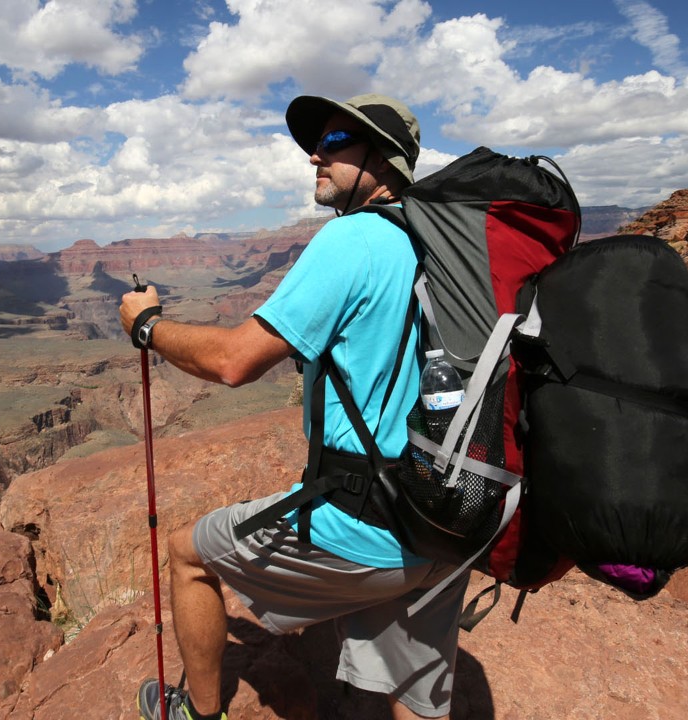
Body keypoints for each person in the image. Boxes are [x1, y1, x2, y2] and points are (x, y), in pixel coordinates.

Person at [121, 94, 467, 720]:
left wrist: (148, 325)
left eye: (336, 143)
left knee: (186, 554)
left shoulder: (352, 240)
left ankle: (197, 714)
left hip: (366, 523)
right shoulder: (445, 245)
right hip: (446, 513)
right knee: (380, 689)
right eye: (319, 143)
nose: (315, 154)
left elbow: (233, 361)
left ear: (383, 160)